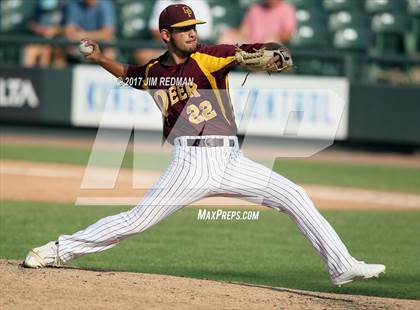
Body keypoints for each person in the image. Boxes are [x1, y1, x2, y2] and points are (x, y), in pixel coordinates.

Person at [23, 4, 385, 287]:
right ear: (166, 34)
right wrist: (100, 58)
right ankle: (56, 250)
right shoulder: (155, 71)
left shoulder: (211, 56)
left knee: (294, 195)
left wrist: (273, 51)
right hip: (190, 164)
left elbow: (255, 50)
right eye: (184, 30)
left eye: (194, 27)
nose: (192, 33)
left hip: (231, 158)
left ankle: (343, 266)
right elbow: (130, 75)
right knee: (135, 222)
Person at [134, 0, 213, 65]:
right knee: (143, 55)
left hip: (190, 48)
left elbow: (203, 35)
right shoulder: (162, 2)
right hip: (165, 45)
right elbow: (154, 29)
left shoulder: (199, 3)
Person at [218, 0, 296, 45]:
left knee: (270, 44)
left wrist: (274, 37)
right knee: (226, 38)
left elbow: (287, 35)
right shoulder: (255, 9)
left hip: (274, 48)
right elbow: (244, 31)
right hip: (251, 44)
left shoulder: (287, 9)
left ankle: (259, 72)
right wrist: (230, 33)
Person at [23, 0, 66, 68]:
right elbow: (30, 23)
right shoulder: (39, 6)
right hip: (40, 39)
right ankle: (26, 76)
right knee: (31, 50)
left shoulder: (64, 7)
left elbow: (68, 28)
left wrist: (55, 30)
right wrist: (38, 28)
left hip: (58, 42)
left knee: (53, 53)